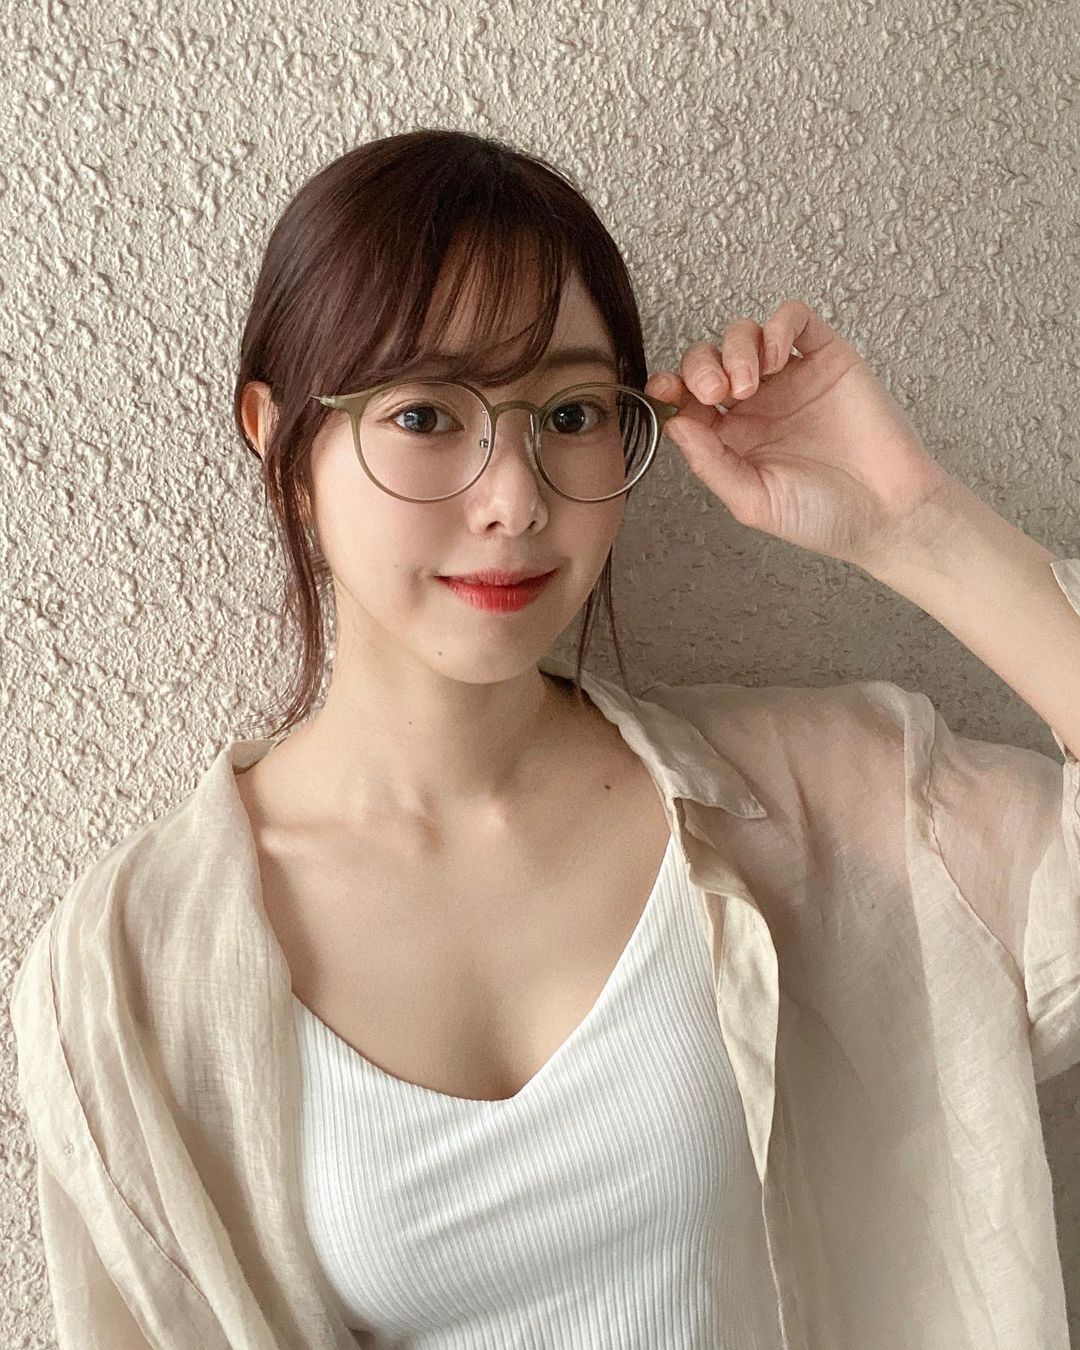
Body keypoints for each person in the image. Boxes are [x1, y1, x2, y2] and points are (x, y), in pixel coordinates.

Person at [9, 128, 1080, 1350]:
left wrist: (912, 523)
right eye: (425, 414)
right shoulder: (128, 972)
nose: (515, 498)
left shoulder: (823, 804)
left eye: (569, 412)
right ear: (277, 437)